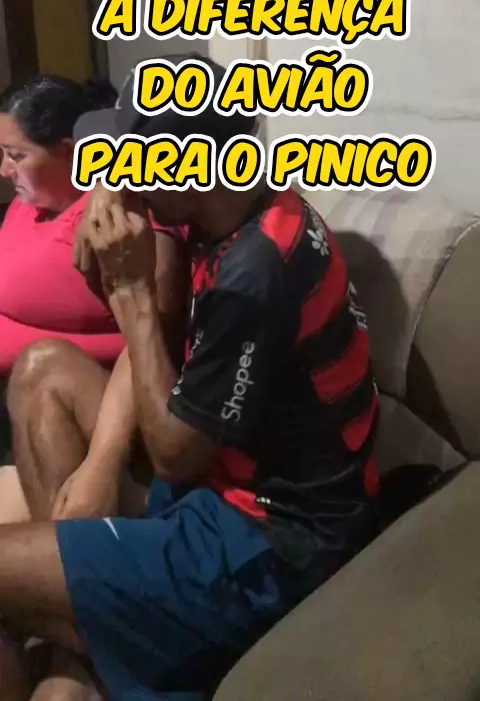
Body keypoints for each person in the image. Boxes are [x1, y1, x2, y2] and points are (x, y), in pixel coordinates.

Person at [0, 53, 379, 701]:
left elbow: (176, 454)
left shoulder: (253, 276)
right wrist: (116, 192)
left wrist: (131, 296)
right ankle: (91, 626)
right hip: (219, 484)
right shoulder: (228, 205)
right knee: (43, 371)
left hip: (269, 543)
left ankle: (87, 634)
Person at [0, 75, 188, 479]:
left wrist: (110, 185)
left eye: (16, 155)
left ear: (70, 153)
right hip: (19, 409)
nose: (4, 170)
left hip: (94, 411)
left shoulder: (118, 224)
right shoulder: (27, 205)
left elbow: (151, 334)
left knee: (42, 372)